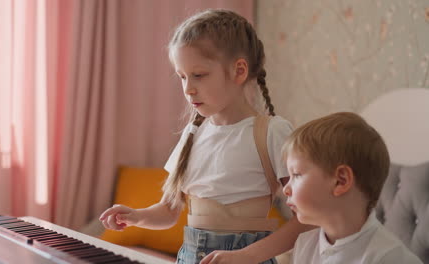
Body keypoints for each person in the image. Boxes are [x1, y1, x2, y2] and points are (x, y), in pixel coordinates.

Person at [100, 9, 310, 264]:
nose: (188, 89)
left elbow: (307, 216)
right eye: (182, 77)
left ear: (239, 71)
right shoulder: (192, 135)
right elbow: (168, 212)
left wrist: (247, 255)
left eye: (198, 75)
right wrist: (135, 216)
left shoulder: (271, 132)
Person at [279, 112, 422, 264]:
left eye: (296, 174)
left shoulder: (391, 258)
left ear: (341, 180)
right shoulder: (304, 244)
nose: (285, 189)